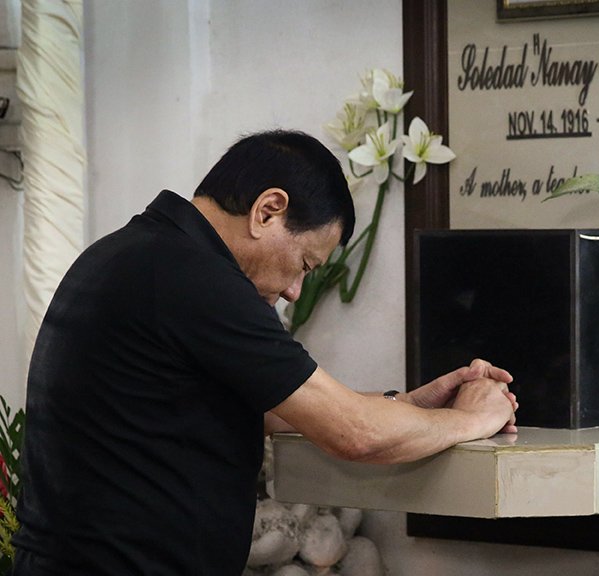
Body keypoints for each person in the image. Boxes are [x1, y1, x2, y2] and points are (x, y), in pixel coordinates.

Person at [11, 130, 518, 576]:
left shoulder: (134, 253)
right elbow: (354, 434)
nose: (296, 290)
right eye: (304, 262)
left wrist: (408, 404)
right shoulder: (198, 280)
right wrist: (472, 420)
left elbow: (273, 407)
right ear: (268, 210)